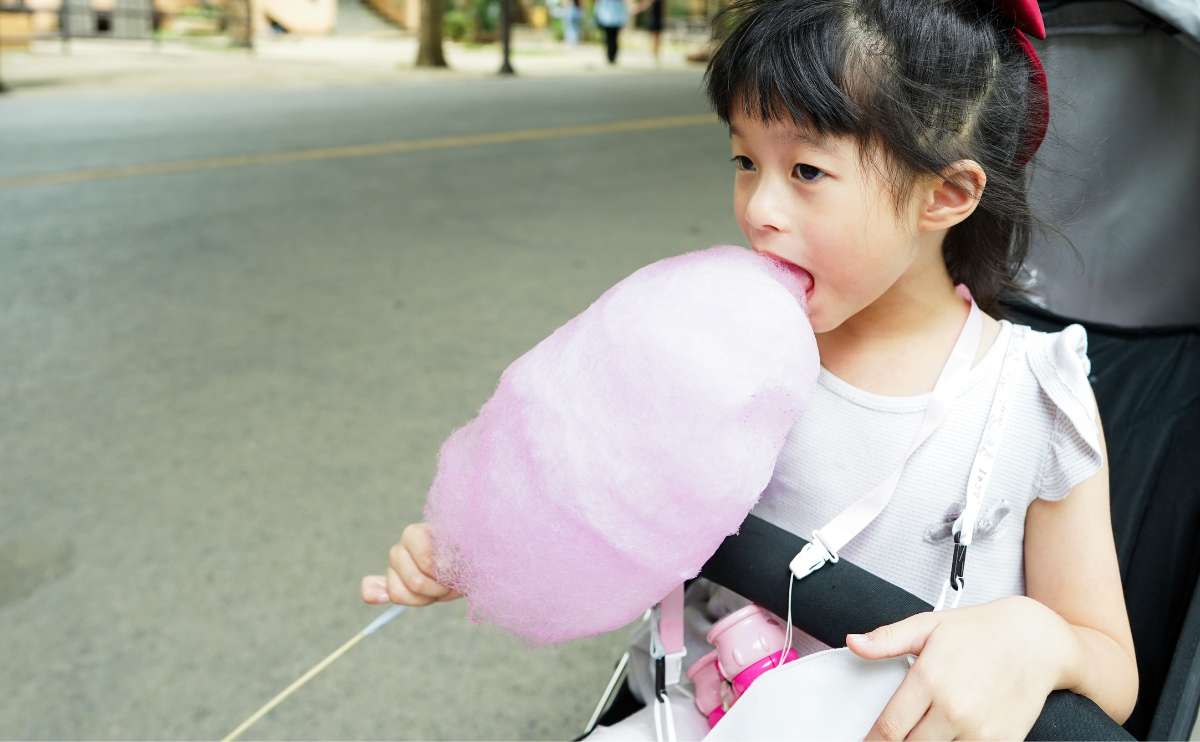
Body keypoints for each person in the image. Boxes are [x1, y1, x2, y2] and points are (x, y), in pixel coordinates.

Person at [362, 0, 1140, 737]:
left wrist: (1039, 641)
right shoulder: (712, 352)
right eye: (744, 159)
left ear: (946, 192)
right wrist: (490, 540)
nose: (758, 208)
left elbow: (1111, 665)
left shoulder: (1035, 394)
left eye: (806, 171)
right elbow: (601, 494)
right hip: (691, 712)